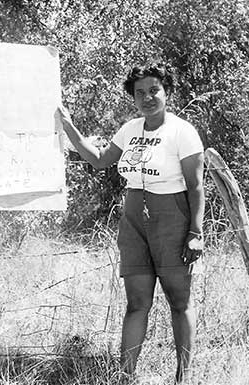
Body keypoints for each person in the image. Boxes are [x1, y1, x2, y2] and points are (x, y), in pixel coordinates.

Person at [56, 62, 204, 384]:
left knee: (179, 301)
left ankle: (184, 376)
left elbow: (195, 187)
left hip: (172, 218)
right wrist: (69, 128)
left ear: (167, 92)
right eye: (140, 93)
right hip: (134, 219)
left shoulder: (182, 132)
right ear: (133, 99)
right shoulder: (130, 129)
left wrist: (196, 231)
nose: (148, 98)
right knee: (137, 302)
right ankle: (125, 376)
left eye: (154, 90)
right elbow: (98, 160)